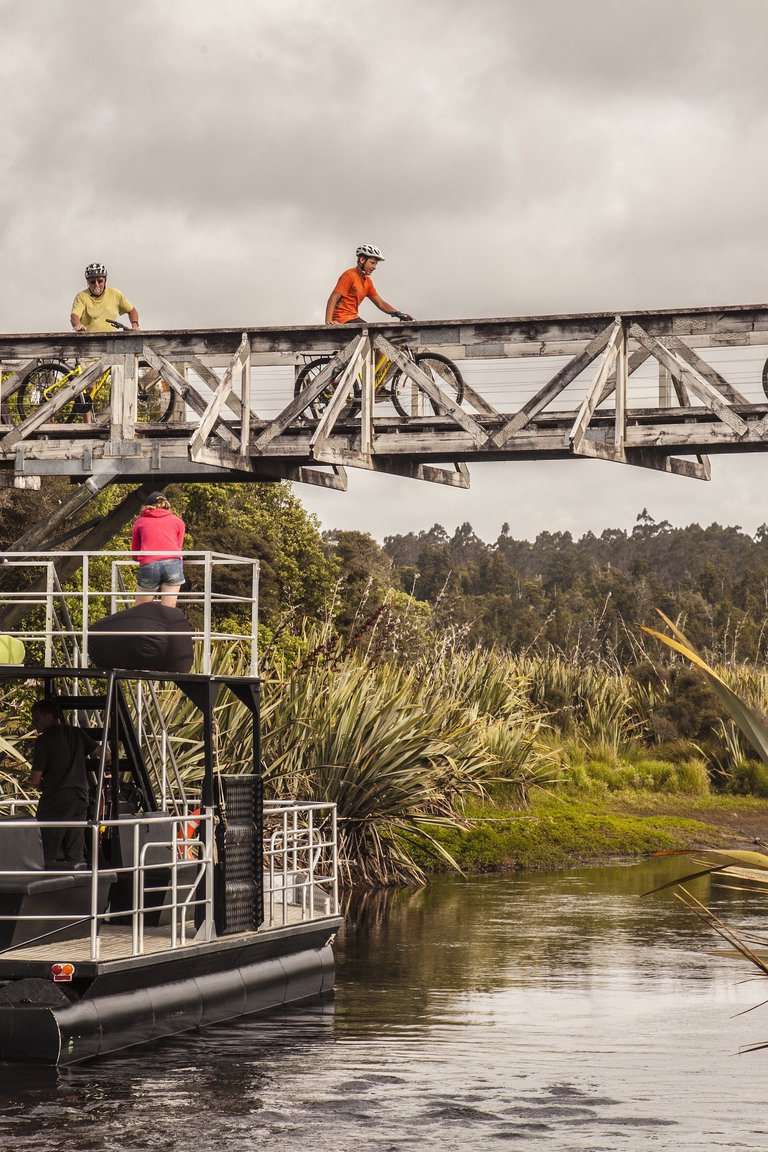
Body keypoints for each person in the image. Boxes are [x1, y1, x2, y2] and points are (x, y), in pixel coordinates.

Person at [30, 699, 107, 869]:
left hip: (55, 799)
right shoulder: (76, 733)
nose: (34, 722)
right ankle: (79, 882)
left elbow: (35, 779)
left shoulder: (43, 742)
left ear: (50, 716)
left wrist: (42, 786)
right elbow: (105, 754)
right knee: (75, 844)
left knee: (47, 845)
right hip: (79, 797)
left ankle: (47, 882)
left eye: (37, 718)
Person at [325, 244, 413, 326]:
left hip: (353, 317)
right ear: (362, 260)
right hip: (341, 319)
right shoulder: (349, 275)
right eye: (372, 263)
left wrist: (398, 314)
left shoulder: (367, 282)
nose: (374, 267)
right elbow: (333, 298)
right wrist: (328, 321)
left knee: (372, 333)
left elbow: (380, 303)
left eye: (376, 264)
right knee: (371, 333)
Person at [131, 491, 186, 607]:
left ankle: (143, 624)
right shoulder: (178, 522)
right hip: (173, 564)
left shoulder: (140, 522)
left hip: (149, 564)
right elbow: (178, 549)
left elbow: (135, 555)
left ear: (147, 506)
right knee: (169, 610)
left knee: (141, 611)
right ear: (166, 504)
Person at [70, 262, 140, 334]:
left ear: (105, 280)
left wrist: (135, 325)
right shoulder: (81, 296)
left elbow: (131, 310)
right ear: (87, 282)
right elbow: (74, 316)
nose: (96, 284)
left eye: (100, 281)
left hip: (111, 340)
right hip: (89, 341)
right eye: (92, 282)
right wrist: (78, 325)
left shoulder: (115, 294)